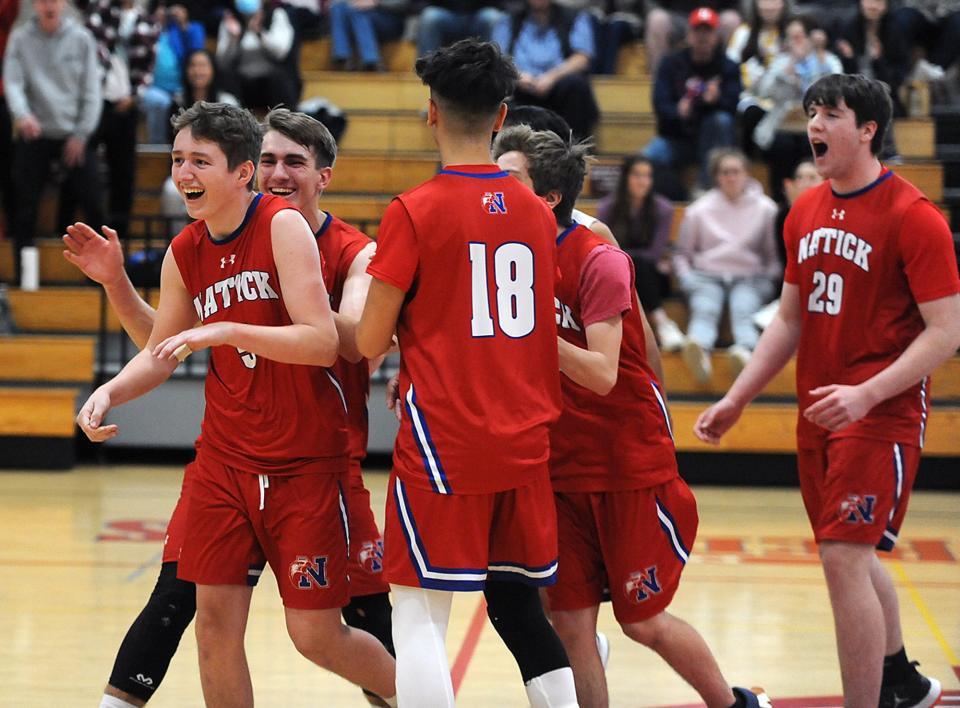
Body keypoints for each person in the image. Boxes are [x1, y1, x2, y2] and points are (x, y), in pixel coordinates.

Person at [66, 107, 395, 708]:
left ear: (240, 174)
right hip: (224, 462)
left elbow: (325, 342)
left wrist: (224, 331)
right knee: (211, 626)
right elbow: (161, 350)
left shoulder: (288, 229)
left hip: (308, 462)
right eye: (176, 160)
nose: (183, 173)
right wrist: (109, 391)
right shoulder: (183, 249)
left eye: (198, 161)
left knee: (316, 635)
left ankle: (423, 695)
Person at [695, 73, 960, 708]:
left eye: (830, 114)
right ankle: (902, 682)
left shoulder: (913, 216)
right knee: (852, 555)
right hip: (820, 412)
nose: (814, 124)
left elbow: (946, 332)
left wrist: (868, 394)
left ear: (867, 130)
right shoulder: (806, 210)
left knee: (844, 556)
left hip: (881, 413)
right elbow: (789, 319)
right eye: (812, 112)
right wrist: (739, 397)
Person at [492, 123, 772, 708]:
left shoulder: (598, 259)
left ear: (546, 197)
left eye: (508, 176)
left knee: (641, 621)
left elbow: (600, 372)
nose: (492, 185)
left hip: (625, 464)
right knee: (569, 624)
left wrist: (530, 331)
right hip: (558, 468)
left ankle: (733, 703)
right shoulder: (503, 257)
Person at [355, 38, 578, 708]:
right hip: (525, 438)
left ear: (431, 112)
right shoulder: (539, 214)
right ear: (502, 113)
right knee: (523, 612)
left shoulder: (414, 211)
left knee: (418, 612)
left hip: (445, 440)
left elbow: (368, 339)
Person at [3, 0, 104, 283]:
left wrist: (81, 134)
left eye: (54, 0)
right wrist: (23, 116)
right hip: (35, 133)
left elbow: (92, 91)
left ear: (62, 5)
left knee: (95, 203)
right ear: (35, 5)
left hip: (74, 134)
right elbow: (13, 83)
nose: (49, 5)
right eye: (43, 0)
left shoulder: (81, 38)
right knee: (23, 206)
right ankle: (26, 279)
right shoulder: (21, 38)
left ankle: (96, 278)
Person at [673, 147, 780, 382]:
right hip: (706, 275)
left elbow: (773, 255)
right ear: (716, 176)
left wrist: (768, 278)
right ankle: (699, 349)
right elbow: (683, 254)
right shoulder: (698, 210)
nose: (730, 177)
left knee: (744, 310)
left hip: (750, 277)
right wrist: (687, 278)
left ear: (746, 174)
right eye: (725, 172)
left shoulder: (766, 209)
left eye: (736, 171)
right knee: (705, 308)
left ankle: (743, 352)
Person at [642, 6, 740, 200]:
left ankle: (706, 188)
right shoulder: (670, 64)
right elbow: (659, 104)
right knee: (646, 159)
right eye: (698, 31)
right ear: (689, 35)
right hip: (677, 140)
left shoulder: (728, 66)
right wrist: (678, 111)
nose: (702, 37)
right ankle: (679, 196)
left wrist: (716, 100)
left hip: (714, 143)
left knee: (721, 120)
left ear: (717, 36)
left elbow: (733, 106)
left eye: (708, 31)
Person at [595, 155, 685, 352]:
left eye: (647, 176)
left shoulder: (663, 208)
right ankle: (662, 323)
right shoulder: (607, 207)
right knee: (626, 266)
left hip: (651, 277)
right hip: (617, 275)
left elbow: (654, 253)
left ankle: (659, 325)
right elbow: (603, 248)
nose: (642, 181)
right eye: (637, 175)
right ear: (626, 177)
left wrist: (624, 257)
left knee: (640, 266)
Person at [492, 0, 599, 140]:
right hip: (520, 82)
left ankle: (575, 143)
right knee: (499, 84)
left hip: (558, 82)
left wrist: (552, 77)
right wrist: (518, 75)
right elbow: (498, 56)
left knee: (576, 85)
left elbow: (582, 58)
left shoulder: (574, 17)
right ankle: (504, 144)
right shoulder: (509, 19)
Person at [328, 0, 407, 71]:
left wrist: (375, 3)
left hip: (390, 19)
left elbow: (403, 3)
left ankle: (371, 59)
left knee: (357, 11)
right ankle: (342, 57)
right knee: (337, 6)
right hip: (364, 17)